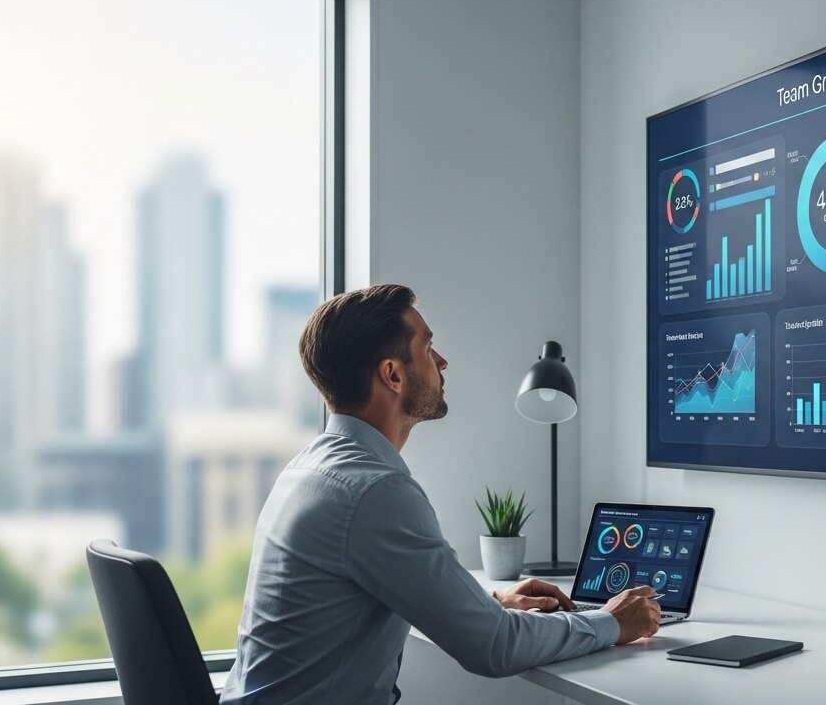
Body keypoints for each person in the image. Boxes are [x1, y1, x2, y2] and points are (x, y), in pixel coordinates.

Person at [220, 284, 660, 704]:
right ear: (392, 374)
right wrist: (610, 622)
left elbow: (368, 594)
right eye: (428, 348)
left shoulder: (310, 469)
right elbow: (494, 647)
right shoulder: (374, 490)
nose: (442, 362)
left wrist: (481, 607)